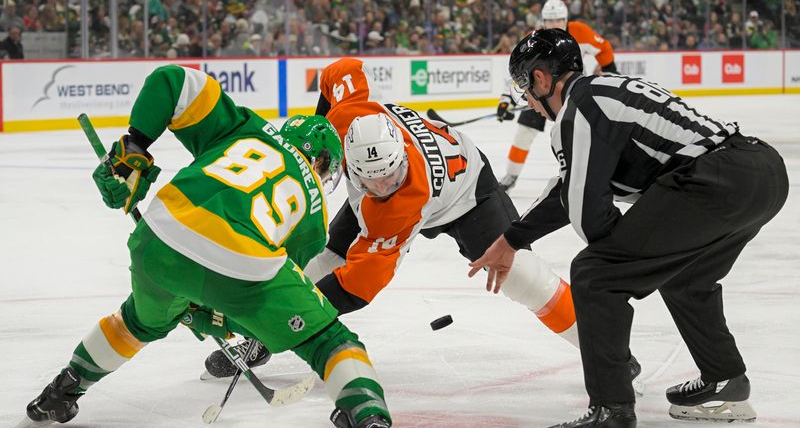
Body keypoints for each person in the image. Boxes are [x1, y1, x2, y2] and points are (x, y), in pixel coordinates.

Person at [14, 64, 454, 428]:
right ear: (324, 164)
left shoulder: (245, 128)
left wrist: (135, 145)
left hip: (156, 238)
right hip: (237, 261)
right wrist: (216, 313)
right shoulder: (315, 212)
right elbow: (265, 287)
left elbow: (172, 82)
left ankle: (62, 391)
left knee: (136, 322)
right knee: (330, 341)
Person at [203, 57, 641, 389]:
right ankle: (259, 341)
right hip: (403, 182)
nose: (384, 186)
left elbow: (357, 287)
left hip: (467, 191)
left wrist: (288, 320)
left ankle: (607, 352)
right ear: (350, 162)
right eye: (371, 181)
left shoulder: (397, 204)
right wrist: (321, 119)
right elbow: (343, 69)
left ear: (397, 157)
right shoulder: (347, 120)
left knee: (521, 275)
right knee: (324, 254)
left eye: (392, 176)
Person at [469, 29, 789, 428]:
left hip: (714, 180)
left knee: (594, 274)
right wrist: (512, 240)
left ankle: (611, 415)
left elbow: (586, 216)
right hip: (761, 173)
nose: (525, 101)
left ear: (541, 79)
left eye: (525, 88)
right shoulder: (598, 92)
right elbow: (570, 192)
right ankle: (726, 380)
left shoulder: (579, 107)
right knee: (686, 278)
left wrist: (619, 267)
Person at [496, 0, 617, 192]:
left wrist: (611, 73)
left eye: (559, 19)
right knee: (524, 133)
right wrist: (506, 99)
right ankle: (511, 176)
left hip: (572, 93)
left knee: (581, 136)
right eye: (550, 20)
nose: (555, 24)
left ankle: (589, 175)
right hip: (539, 94)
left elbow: (604, 48)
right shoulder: (534, 39)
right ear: (543, 20)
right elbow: (517, 70)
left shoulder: (580, 31)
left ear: (566, 19)